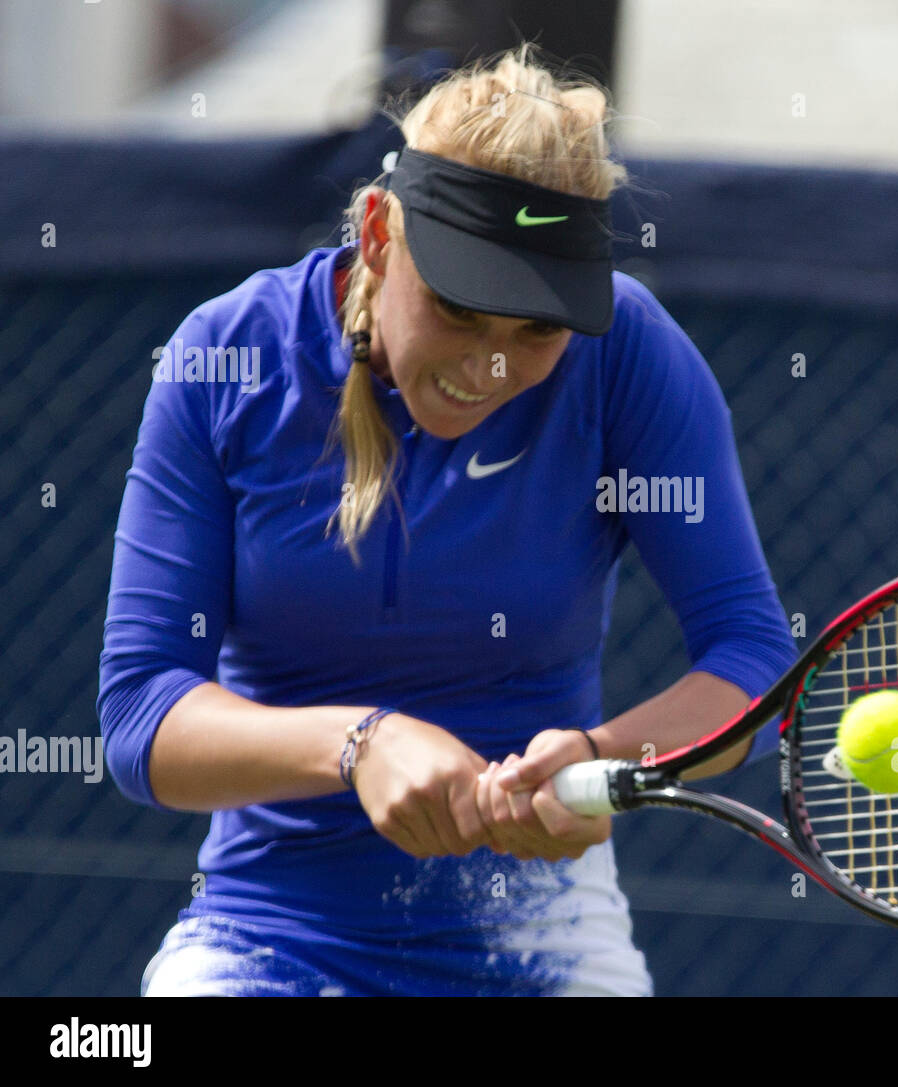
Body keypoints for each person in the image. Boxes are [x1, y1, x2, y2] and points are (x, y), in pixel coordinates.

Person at [98, 45, 796, 997]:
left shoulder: (630, 355)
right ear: (381, 233)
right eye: (462, 311)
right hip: (265, 931)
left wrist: (601, 757)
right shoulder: (224, 355)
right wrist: (363, 744)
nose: (492, 368)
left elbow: (752, 655)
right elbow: (143, 713)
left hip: (545, 924)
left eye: (537, 331)